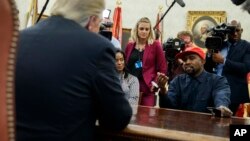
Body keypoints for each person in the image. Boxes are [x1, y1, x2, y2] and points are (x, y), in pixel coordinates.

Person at [15, 0, 132, 141]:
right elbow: (118, 118)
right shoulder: (98, 48)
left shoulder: (18, 38)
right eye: (99, 23)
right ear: (92, 20)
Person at [157, 47, 232, 117]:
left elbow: (221, 95)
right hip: (180, 127)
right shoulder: (178, 81)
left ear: (203, 61)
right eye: (185, 60)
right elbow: (168, 107)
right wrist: (163, 91)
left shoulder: (217, 81)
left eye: (192, 58)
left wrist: (221, 106)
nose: (187, 62)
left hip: (206, 127)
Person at [205, 20, 250, 115]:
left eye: (237, 30)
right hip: (213, 88)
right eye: (232, 31)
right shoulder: (219, 44)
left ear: (241, 30)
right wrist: (209, 54)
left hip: (233, 91)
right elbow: (207, 68)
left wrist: (224, 61)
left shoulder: (247, 46)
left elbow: (245, 68)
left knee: (227, 123)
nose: (235, 33)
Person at [125, 17, 167, 107]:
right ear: (137, 29)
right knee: (128, 114)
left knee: (145, 117)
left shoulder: (156, 45)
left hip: (147, 87)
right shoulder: (129, 45)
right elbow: (125, 66)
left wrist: (156, 84)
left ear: (150, 31)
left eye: (147, 29)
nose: (144, 31)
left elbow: (162, 68)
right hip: (130, 85)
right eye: (141, 29)